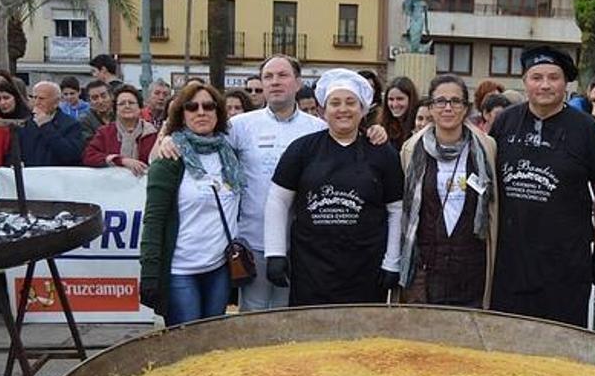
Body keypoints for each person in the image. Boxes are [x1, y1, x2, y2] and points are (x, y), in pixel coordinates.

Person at [154, 54, 388, 311]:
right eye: (268, 76)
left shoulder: (318, 128)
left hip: (305, 246)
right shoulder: (239, 126)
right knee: (252, 317)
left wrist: (374, 131)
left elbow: (349, 134)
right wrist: (169, 137)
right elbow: (200, 142)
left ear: (298, 83)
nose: (275, 82)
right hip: (252, 241)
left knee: (289, 315)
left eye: (283, 75)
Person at [487, 45, 595, 327]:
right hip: (511, 261)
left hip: (566, 263)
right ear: (525, 82)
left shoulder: (585, 128)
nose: (545, 85)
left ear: (565, 83)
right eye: (536, 77)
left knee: (562, 348)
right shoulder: (505, 122)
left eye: (553, 77)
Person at [264, 69, 403, 305]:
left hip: (365, 266)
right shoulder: (302, 149)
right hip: (311, 265)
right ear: (322, 110)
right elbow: (278, 200)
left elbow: (396, 209)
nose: (343, 109)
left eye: (351, 102)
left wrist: (392, 261)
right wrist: (275, 253)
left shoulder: (382, 152)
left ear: (363, 109)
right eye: (335, 103)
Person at [139, 82, 243, 325]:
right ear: (181, 114)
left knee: (212, 342)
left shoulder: (230, 155)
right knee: (187, 343)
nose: (201, 112)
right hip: (181, 271)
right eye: (192, 107)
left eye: (209, 106)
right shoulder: (170, 159)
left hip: (219, 268)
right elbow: (153, 221)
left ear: (219, 113)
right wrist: (150, 274)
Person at [399, 74, 498, 307]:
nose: (448, 108)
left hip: (472, 269)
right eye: (440, 101)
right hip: (426, 269)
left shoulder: (487, 148)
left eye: (456, 101)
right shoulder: (411, 151)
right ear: (430, 108)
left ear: (466, 108)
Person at [83, 85, 156, 177]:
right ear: (116, 109)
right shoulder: (105, 132)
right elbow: (88, 156)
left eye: (131, 102)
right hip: (112, 186)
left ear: (140, 107)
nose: (127, 106)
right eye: (122, 103)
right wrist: (121, 160)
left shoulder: (152, 133)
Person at [19, 81, 83, 167]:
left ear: (56, 102)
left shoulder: (71, 125)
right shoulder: (25, 123)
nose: (37, 102)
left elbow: (71, 155)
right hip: (31, 176)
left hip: (58, 176)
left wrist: (46, 126)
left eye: (41, 98)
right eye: (34, 98)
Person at [380, 76, 419, 151]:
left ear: (411, 99)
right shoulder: (383, 126)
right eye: (391, 99)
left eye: (400, 99)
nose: (395, 104)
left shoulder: (418, 125)